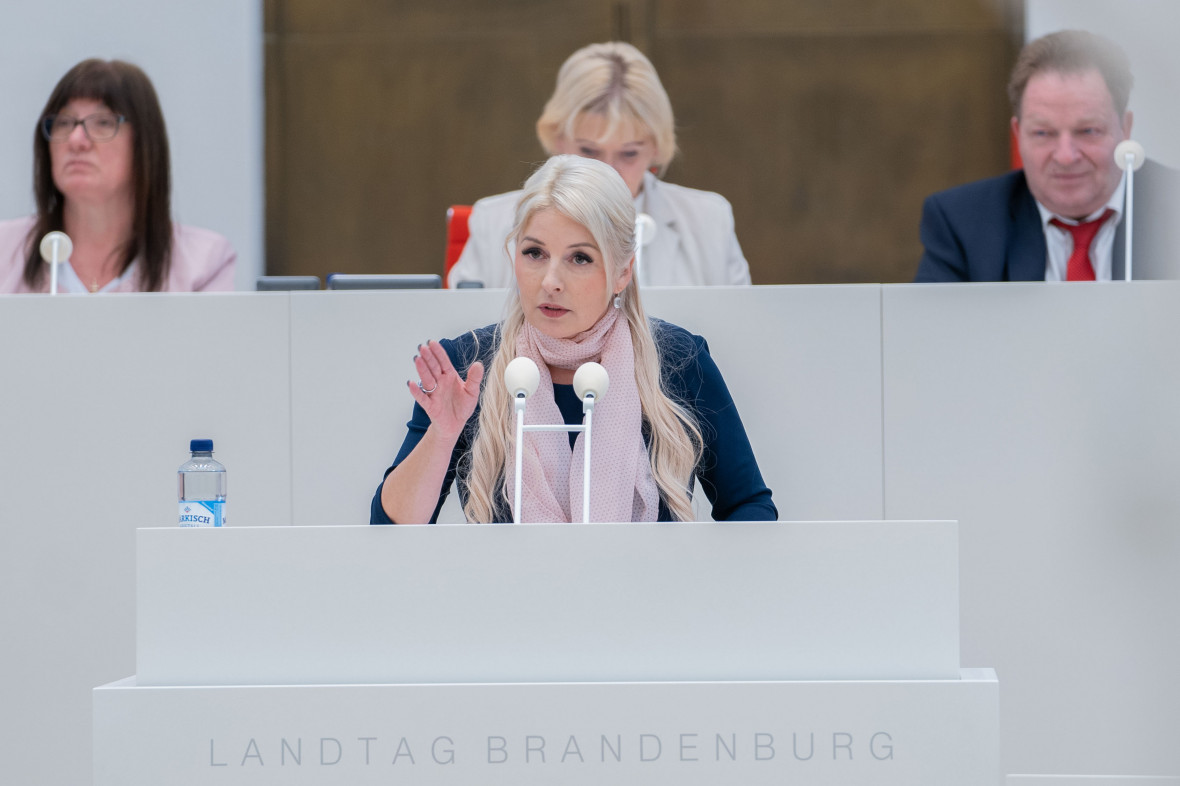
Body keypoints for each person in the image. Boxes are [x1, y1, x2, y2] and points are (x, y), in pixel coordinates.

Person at [373, 155, 775, 525]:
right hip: (506, 601)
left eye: (579, 258)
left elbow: (749, 507)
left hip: (650, 598)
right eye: (534, 253)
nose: (550, 282)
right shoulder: (467, 365)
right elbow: (390, 530)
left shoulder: (679, 360)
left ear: (622, 272)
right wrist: (442, 436)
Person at [447, 41, 751, 289]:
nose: (608, 171)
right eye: (589, 151)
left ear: (656, 147)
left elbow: (741, 341)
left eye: (629, 153)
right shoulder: (492, 222)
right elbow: (469, 344)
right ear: (557, 140)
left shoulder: (710, 221)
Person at [914, 30, 1179, 282]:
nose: (1066, 156)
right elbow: (932, 328)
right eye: (1043, 133)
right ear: (1019, 135)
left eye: (1088, 131)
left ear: (1125, 128)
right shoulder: (963, 223)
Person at [0, 59, 236, 294]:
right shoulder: (5, 250)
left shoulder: (202, 263)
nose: (76, 140)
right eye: (63, 123)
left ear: (144, 144)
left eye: (103, 122)